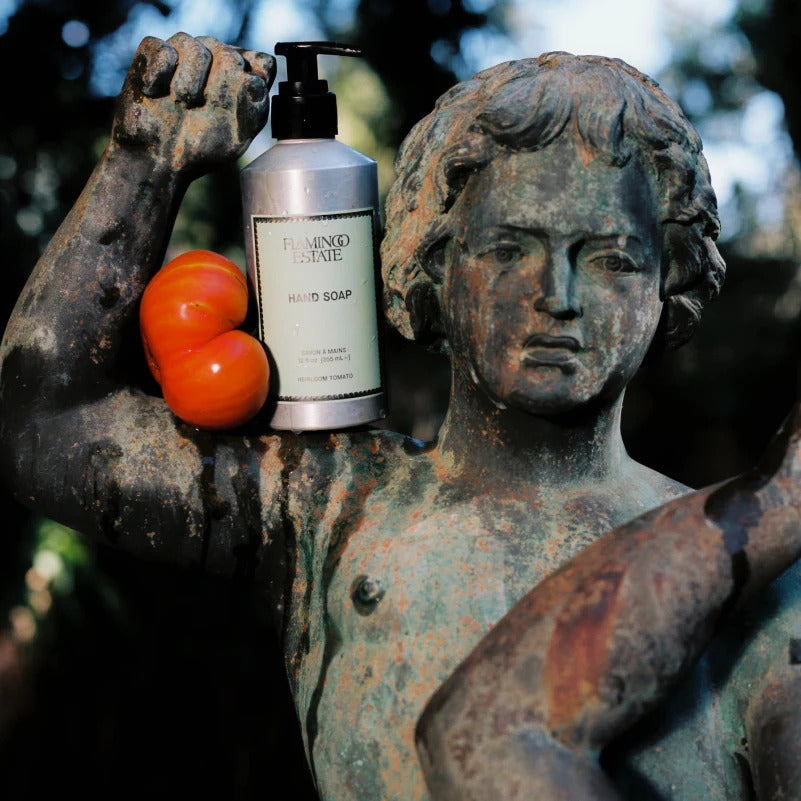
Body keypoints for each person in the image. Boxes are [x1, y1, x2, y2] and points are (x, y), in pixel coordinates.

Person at [0, 34, 798, 800]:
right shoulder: (335, 503)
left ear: (669, 287)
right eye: (508, 249)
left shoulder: (742, 568)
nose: (555, 294)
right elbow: (51, 429)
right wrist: (146, 163)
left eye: (610, 258)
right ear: (433, 270)